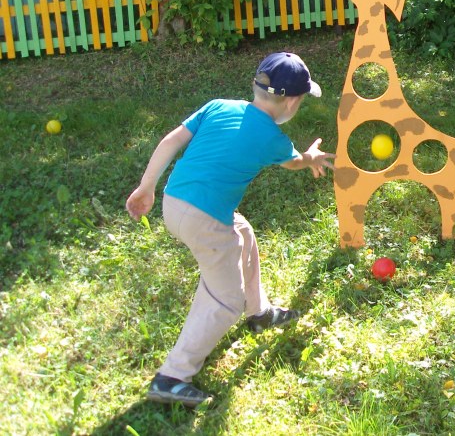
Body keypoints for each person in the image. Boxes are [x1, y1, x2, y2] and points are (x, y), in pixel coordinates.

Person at [125, 51, 335, 408]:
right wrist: (311, 158)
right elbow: (295, 162)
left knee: (242, 231)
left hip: (173, 202)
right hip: (203, 220)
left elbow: (172, 140)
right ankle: (172, 376)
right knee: (224, 300)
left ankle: (259, 312)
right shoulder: (272, 138)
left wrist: (146, 187)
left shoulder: (218, 105)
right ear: (293, 102)